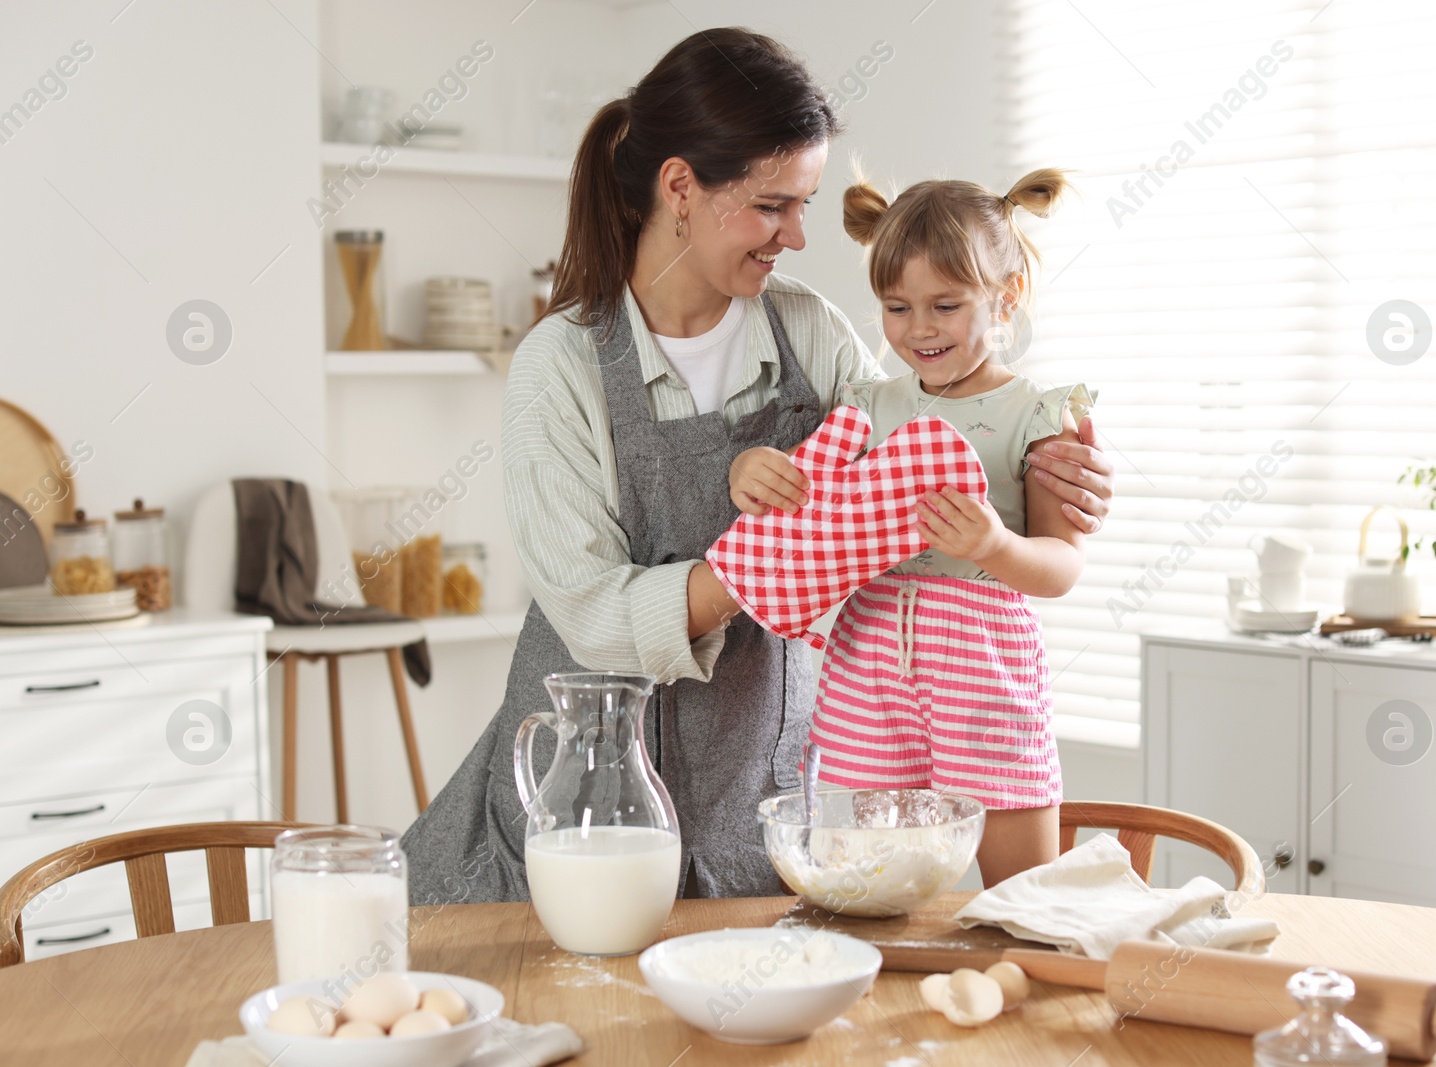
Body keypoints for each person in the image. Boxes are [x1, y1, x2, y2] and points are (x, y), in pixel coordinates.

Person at [400, 28, 1114, 904]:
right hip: (594, 818)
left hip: (766, 812)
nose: (799, 236)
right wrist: (769, 565)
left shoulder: (808, 330)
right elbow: (594, 618)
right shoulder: (562, 366)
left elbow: (917, 448)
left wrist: (1048, 474)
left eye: (805, 203)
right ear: (681, 188)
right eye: (775, 205)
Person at [729, 168, 1087, 887]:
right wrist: (752, 473)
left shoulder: (1039, 414)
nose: (919, 328)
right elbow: (810, 501)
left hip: (983, 659)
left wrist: (995, 545)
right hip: (867, 662)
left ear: (1006, 297)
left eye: (945, 305)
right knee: (861, 879)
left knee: (1026, 893)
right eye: (897, 307)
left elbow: (1061, 566)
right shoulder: (866, 403)